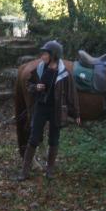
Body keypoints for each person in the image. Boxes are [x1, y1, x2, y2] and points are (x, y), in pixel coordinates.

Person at [18, 40, 81, 180]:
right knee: (34, 138)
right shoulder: (40, 68)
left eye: (45, 54)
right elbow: (29, 84)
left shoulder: (64, 73)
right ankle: (24, 172)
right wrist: (35, 87)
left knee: (54, 140)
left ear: (53, 55)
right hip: (40, 108)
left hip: (56, 110)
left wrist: (76, 113)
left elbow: (72, 94)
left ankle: (50, 170)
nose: (42, 56)